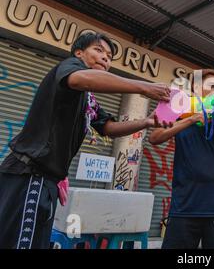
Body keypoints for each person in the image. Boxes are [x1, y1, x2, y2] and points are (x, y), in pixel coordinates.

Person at [0, 32, 171, 249]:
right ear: (79, 53)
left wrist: (147, 122)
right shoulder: (70, 67)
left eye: (109, 56)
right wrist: (144, 86)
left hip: (47, 180)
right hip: (30, 175)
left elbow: (109, 128)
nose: (105, 58)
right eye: (98, 50)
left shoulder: (88, 98)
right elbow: (79, 78)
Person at [149, 69, 214, 249]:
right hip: (185, 205)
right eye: (212, 86)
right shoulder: (178, 108)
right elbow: (155, 137)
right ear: (195, 87)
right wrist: (192, 119)